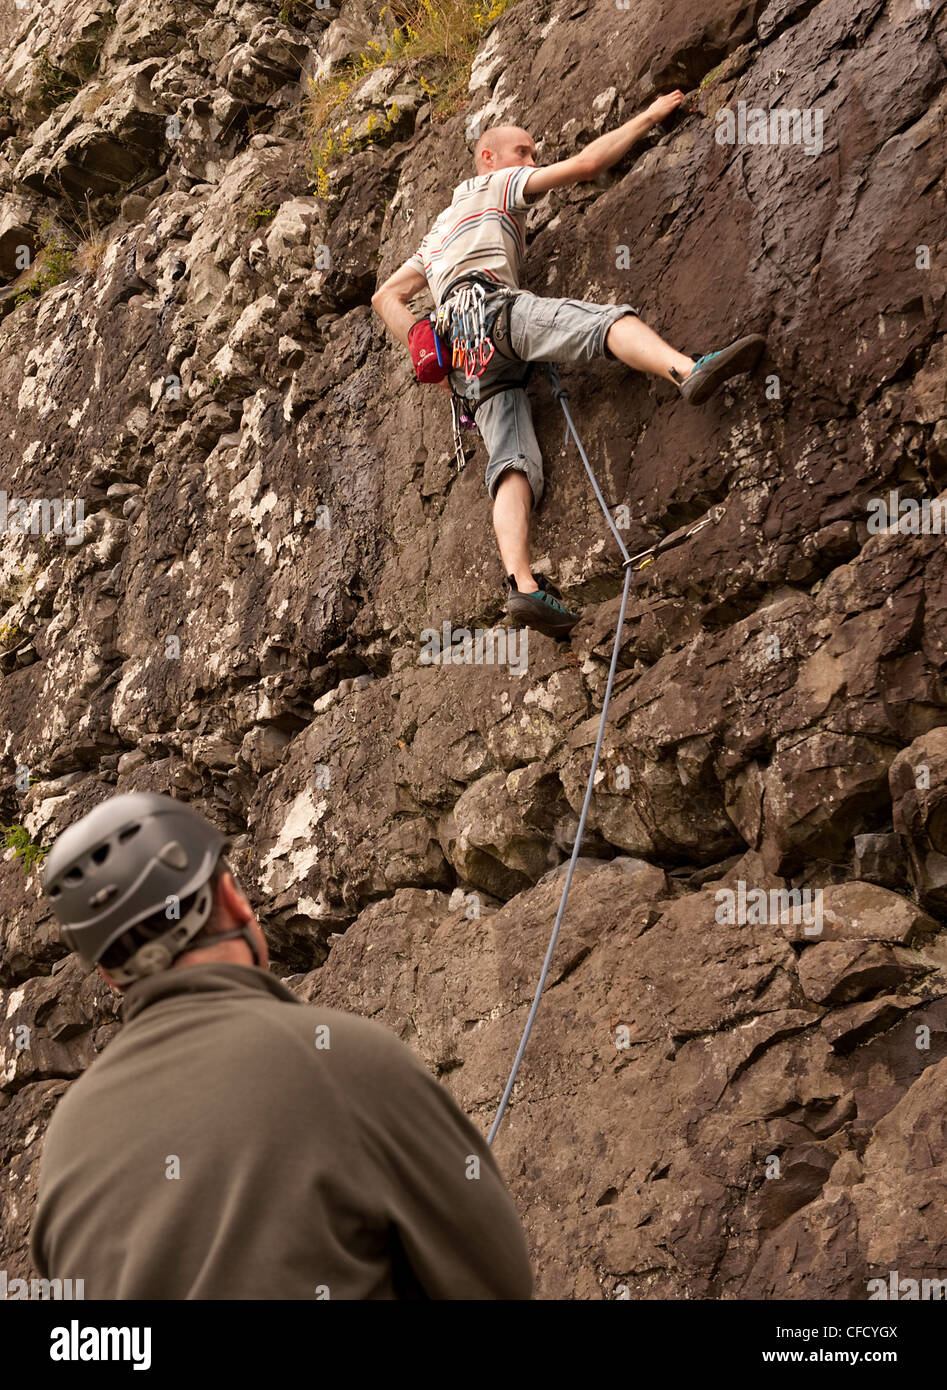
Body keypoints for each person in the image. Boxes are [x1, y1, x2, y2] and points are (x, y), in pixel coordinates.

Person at [29, 791, 533, 1299]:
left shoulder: (67, 1141)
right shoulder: (345, 1060)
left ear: (109, 977)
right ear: (230, 897)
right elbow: (497, 1283)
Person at [371, 98, 765, 638]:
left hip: (462, 354)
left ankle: (523, 587)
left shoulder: (437, 232)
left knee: (510, 460)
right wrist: (648, 116)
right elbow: (584, 167)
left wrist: (422, 340)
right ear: (488, 157)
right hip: (490, 310)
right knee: (602, 322)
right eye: (524, 151)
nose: (533, 159)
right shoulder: (495, 186)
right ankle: (686, 369)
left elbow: (385, 295)